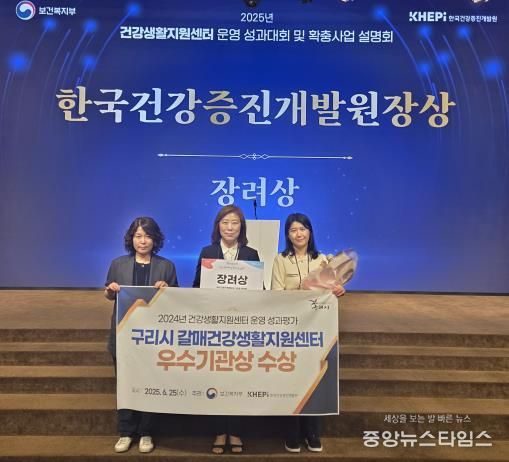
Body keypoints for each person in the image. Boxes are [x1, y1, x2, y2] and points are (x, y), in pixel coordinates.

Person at [271, 212, 345, 453]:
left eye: (302, 229)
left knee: (313, 378)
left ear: (310, 232)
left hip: (316, 330)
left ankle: (312, 431)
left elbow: (330, 291)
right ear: (287, 235)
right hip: (290, 329)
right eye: (293, 230)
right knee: (291, 378)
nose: (298, 234)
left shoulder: (323, 260)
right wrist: (301, 293)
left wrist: (337, 290)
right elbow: (276, 293)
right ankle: (291, 432)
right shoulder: (281, 260)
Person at [104, 217, 178, 454]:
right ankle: (126, 432)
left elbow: (176, 299)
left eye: (147, 236)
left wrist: (167, 290)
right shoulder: (118, 264)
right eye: (138, 236)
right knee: (125, 384)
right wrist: (111, 291)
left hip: (153, 337)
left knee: (149, 383)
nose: (142, 241)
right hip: (124, 335)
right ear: (131, 239)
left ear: (155, 239)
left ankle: (146, 432)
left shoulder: (166, 266)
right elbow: (109, 294)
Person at [193, 205, 260, 454]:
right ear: (218, 226)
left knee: (239, 379)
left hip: (242, 328)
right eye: (225, 222)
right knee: (217, 379)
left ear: (241, 227)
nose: (230, 227)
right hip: (215, 326)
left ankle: (236, 431)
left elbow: (260, 291)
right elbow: (197, 287)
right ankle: (220, 431)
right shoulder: (207, 252)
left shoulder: (251, 254)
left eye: (235, 223)